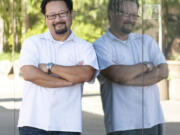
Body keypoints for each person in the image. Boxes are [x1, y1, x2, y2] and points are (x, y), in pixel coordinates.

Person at [18, 0, 98, 135]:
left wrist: (50, 67)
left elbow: (86, 74)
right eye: (52, 15)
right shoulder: (32, 43)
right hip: (32, 123)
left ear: (71, 14)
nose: (57, 19)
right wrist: (69, 80)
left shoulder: (85, 47)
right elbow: (29, 74)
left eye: (62, 13)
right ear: (45, 19)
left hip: (68, 126)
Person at [93, 0, 168, 135]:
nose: (131, 20)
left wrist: (127, 79)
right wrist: (147, 66)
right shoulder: (100, 46)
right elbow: (117, 75)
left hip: (152, 119)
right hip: (122, 125)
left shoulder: (147, 41)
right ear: (111, 14)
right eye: (126, 14)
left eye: (134, 15)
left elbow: (163, 72)